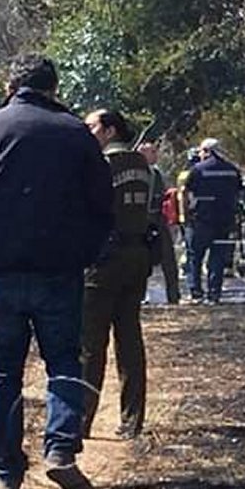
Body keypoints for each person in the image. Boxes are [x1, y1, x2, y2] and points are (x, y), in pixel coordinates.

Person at [0, 54, 111, 489]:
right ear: (55, 88)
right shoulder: (76, 133)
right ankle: (60, 451)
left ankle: (7, 474)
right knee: (63, 361)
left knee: (2, 371)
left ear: (9, 85)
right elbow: (102, 205)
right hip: (60, 270)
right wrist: (87, 251)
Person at [80, 109, 153, 442]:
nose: (87, 132)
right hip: (137, 257)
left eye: (92, 126)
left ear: (109, 131)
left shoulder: (100, 165)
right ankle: (132, 420)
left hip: (103, 261)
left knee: (91, 345)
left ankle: (81, 422)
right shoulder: (143, 166)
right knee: (130, 340)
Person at [184, 138, 242, 303]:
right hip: (224, 221)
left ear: (208, 151)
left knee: (194, 257)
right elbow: (238, 193)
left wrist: (186, 215)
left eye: (201, 150)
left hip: (201, 221)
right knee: (217, 258)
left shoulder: (198, 169)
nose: (200, 154)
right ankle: (214, 293)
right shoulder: (232, 170)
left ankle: (196, 293)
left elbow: (186, 192)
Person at [137, 141, 181, 304]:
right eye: (152, 152)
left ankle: (173, 295)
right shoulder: (136, 173)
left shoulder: (157, 173)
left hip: (157, 219)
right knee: (140, 260)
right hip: (140, 220)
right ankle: (139, 296)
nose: (156, 155)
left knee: (168, 258)